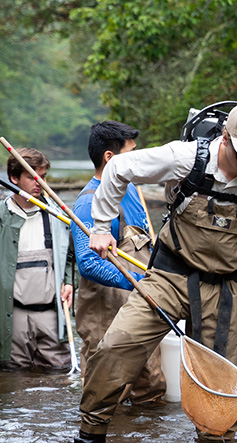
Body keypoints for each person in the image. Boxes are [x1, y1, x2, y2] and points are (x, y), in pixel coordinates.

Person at [76, 102, 237, 443]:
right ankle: (90, 435)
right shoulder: (184, 157)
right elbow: (119, 168)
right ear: (224, 138)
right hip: (169, 275)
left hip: (225, 285)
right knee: (116, 345)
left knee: (220, 381)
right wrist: (100, 226)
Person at [71, 121, 165, 402]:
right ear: (110, 158)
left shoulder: (132, 190)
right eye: (131, 153)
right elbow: (88, 263)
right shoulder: (88, 203)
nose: (137, 159)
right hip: (105, 314)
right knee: (107, 394)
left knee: (151, 386)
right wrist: (134, 281)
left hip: (139, 306)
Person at [0, 148, 74, 371]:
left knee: (59, 374)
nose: (39, 183)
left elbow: (68, 256)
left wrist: (68, 282)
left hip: (51, 313)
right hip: (12, 316)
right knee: (12, 376)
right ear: (14, 178)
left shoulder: (57, 216)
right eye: (32, 176)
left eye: (43, 176)